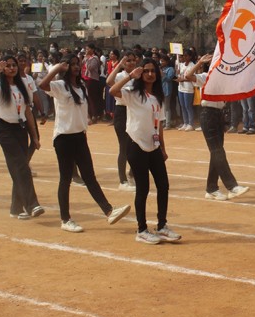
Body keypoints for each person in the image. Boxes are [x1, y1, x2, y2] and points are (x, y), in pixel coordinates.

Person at [39, 55, 131, 232]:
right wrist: (57, 68)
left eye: (77, 64)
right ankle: (65, 219)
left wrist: (86, 120)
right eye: (71, 65)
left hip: (80, 137)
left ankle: (108, 210)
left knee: (89, 176)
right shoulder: (59, 86)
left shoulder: (81, 87)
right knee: (65, 179)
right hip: (63, 138)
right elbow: (42, 85)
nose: (75, 67)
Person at [110, 57, 180, 244]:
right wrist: (130, 76)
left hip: (154, 146)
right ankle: (141, 229)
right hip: (136, 145)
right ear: (141, 74)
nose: (150, 74)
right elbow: (112, 90)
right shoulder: (133, 94)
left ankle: (162, 225)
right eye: (146, 71)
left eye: (153, 71)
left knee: (163, 185)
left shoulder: (158, 98)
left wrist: (163, 149)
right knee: (143, 188)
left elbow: (159, 126)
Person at [0, 55, 45, 220]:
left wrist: (34, 135)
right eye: (8, 66)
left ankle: (15, 208)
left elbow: (27, 111)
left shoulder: (23, 86)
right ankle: (32, 204)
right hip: (5, 130)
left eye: (14, 65)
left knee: (18, 169)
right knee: (22, 166)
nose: (12, 68)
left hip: (21, 129)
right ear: (3, 69)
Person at [184, 54, 250, 202]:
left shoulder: (225, 80)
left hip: (219, 115)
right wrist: (199, 62)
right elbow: (188, 76)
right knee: (217, 151)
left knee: (216, 152)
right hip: (208, 114)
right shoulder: (206, 77)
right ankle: (232, 186)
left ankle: (211, 188)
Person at [106, 51, 137, 191]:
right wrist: (119, 65)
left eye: (132, 60)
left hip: (135, 112)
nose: (130, 63)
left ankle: (132, 174)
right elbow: (108, 82)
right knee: (123, 146)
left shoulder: (138, 76)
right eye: (128, 60)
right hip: (122, 111)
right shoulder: (120, 75)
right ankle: (122, 180)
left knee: (136, 145)